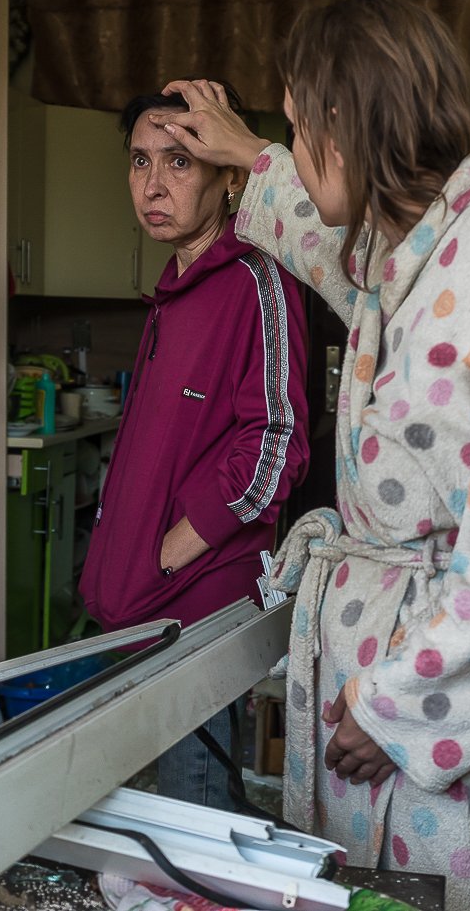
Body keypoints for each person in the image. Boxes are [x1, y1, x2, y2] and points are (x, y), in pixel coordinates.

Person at [154, 0, 470, 909]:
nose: (284, 136)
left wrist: (401, 702)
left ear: (343, 118)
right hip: (391, 691)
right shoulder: (427, 246)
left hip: (457, 729)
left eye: (294, 120)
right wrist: (248, 152)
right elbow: (341, 255)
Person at [78, 84, 310, 811]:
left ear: (229, 175)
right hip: (149, 602)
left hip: (197, 605)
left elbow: (278, 439)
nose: (153, 183)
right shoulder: (175, 286)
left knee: (194, 807)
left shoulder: (256, 278)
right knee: (178, 809)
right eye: (141, 161)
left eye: (180, 161)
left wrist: (175, 546)